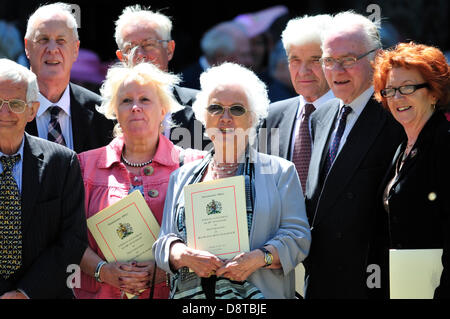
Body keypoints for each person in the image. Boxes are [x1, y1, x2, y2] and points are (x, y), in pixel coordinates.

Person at [153, 62, 311, 299]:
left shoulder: (279, 171)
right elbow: (164, 241)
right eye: (216, 108)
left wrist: (259, 259)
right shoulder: (182, 175)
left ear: (253, 118)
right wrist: (184, 255)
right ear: (203, 117)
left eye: (237, 109)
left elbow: (298, 236)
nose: (225, 118)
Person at [73, 61, 204, 299]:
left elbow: (209, 239)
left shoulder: (195, 165)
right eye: (126, 101)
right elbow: (66, 237)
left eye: (145, 100)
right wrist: (103, 271)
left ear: (163, 109)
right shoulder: (83, 166)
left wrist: (168, 267)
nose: (135, 107)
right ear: (114, 110)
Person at [303, 11, 404, 299]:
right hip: (320, 279)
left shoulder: (396, 114)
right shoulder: (319, 116)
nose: (336, 70)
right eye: (328, 61)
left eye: (348, 60)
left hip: (370, 280)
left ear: (378, 58)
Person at [0, 58, 87, 299]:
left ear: (32, 110)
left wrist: (23, 294)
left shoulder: (62, 162)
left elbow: (72, 238)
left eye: (15, 103)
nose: (4, 112)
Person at [372, 42, 450, 298]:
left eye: (407, 87)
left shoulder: (444, 142)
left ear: (434, 92)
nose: (397, 98)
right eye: (390, 90)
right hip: (405, 286)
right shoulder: (402, 147)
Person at [114, 5, 208, 151]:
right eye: (130, 48)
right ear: (121, 58)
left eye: (148, 45)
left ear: (169, 50)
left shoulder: (202, 106)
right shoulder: (106, 112)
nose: (140, 54)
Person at [23, 3, 114, 153]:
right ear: (27, 47)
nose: (52, 49)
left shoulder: (102, 112)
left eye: (61, 41)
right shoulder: (8, 109)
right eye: (43, 39)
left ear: (75, 49)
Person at [259, 14, 334, 193]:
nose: (303, 71)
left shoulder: (347, 114)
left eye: (315, 60)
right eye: (295, 60)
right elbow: (261, 182)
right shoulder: (269, 116)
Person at [181, 21, 253, 91]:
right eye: (244, 55)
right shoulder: (184, 87)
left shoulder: (248, 82)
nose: (249, 61)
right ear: (221, 57)